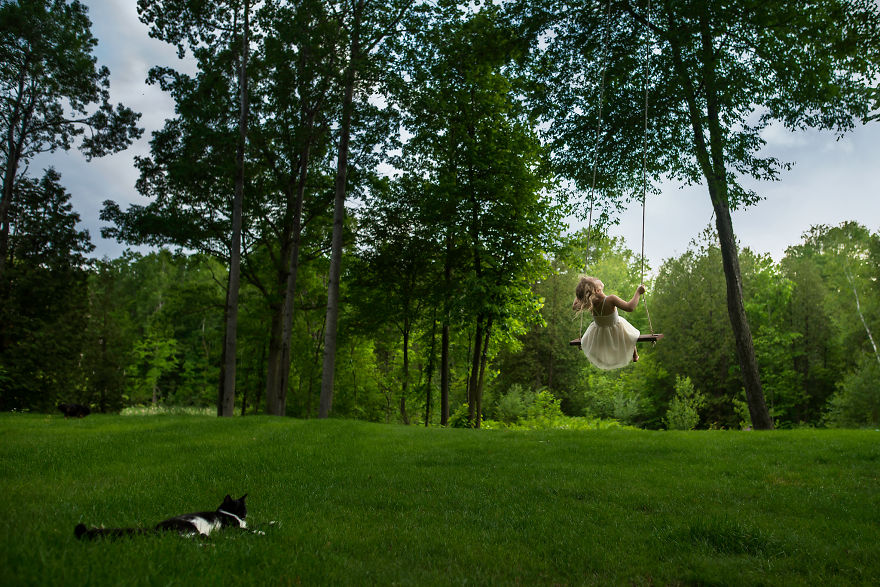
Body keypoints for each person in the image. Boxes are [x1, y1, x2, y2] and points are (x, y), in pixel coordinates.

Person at [572, 276, 646, 369]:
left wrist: (582, 294)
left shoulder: (591, 303)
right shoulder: (611, 299)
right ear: (597, 290)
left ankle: (634, 355)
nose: (595, 277)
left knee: (627, 335)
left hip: (599, 333)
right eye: (594, 279)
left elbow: (574, 306)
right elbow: (630, 307)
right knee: (629, 335)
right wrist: (638, 292)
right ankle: (634, 355)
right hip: (616, 327)